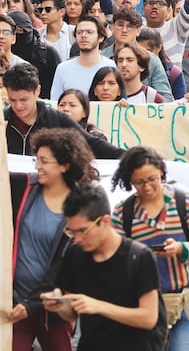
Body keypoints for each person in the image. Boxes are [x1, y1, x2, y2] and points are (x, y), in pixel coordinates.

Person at [111, 146, 189, 351]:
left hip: (187, 300)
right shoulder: (124, 211)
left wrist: (180, 249)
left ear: (162, 173)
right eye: (139, 183)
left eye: (152, 179)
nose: (147, 187)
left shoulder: (184, 201)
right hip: (144, 304)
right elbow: (116, 256)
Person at [41, 182, 167, 350]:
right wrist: (61, 305)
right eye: (72, 232)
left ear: (105, 221)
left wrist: (98, 306)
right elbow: (71, 313)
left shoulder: (139, 256)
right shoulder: (75, 254)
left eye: (83, 231)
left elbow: (148, 318)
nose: (77, 238)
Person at [9, 128, 96, 351]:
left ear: (65, 165)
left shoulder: (81, 206)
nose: (37, 166)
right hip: (15, 305)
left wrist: (34, 304)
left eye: (44, 161)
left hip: (56, 310)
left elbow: (64, 265)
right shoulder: (23, 186)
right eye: (37, 160)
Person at [5, 62, 121, 159]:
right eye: (12, 100)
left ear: (37, 91)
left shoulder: (56, 119)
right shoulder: (3, 120)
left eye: (24, 99)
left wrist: (127, 156)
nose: (18, 106)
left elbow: (91, 143)